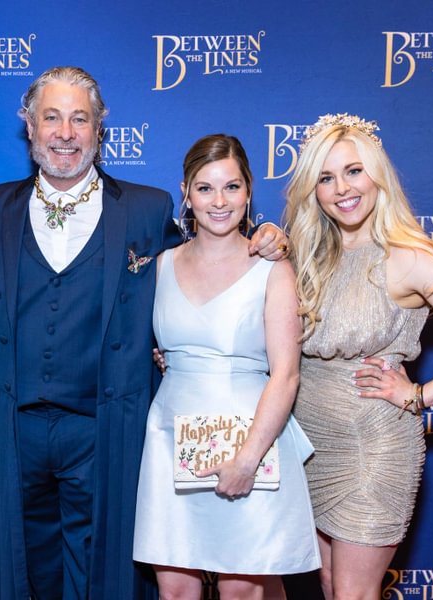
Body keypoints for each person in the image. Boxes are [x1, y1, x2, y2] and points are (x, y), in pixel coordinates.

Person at [0, 66, 289, 600]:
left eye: (79, 119)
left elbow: (208, 256)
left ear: (100, 128)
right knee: (25, 566)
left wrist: (264, 234)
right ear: (30, 128)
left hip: (108, 425)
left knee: (106, 572)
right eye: (52, 118)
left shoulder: (148, 210)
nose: (65, 133)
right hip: (15, 427)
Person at [285, 113, 433, 600]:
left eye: (353, 171)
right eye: (325, 178)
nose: (341, 188)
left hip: (374, 445)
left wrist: (421, 394)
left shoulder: (409, 257)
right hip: (308, 446)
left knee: (353, 592)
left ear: (377, 175)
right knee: (327, 585)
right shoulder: (308, 255)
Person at [133, 134, 320, 600]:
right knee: (175, 587)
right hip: (169, 437)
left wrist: (248, 460)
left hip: (250, 440)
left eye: (232, 187)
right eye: (205, 188)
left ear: (249, 191)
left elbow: (286, 374)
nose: (219, 202)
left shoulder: (273, 269)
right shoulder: (159, 266)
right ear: (186, 192)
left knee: (244, 588)